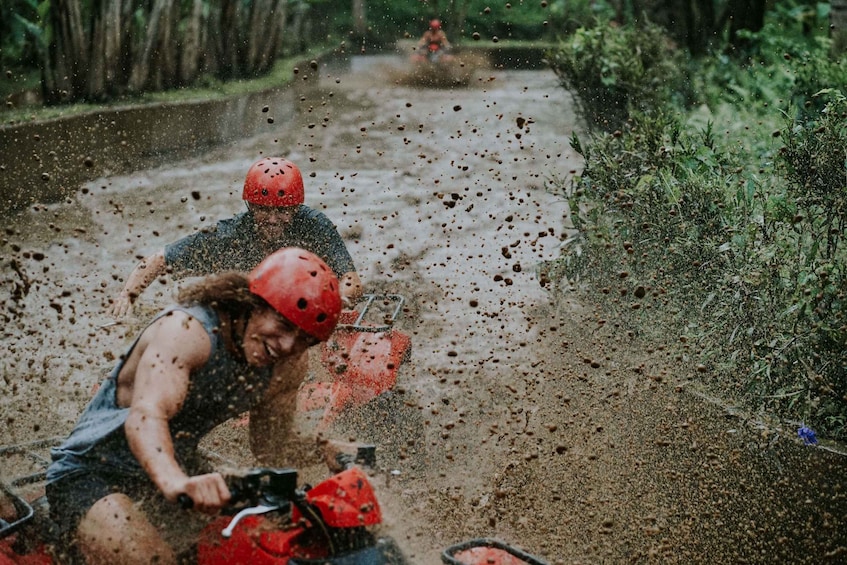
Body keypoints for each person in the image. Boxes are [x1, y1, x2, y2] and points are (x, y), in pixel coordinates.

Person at [46, 248, 344, 565]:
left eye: (304, 339)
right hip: (93, 473)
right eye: (283, 325)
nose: (287, 346)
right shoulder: (187, 331)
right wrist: (174, 481)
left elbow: (271, 447)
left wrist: (322, 450)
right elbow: (147, 415)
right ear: (254, 304)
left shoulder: (287, 365)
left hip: (179, 472)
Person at [109, 157, 362, 317]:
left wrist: (340, 300)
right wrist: (128, 296)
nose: (272, 220)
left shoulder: (315, 226)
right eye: (263, 209)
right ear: (250, 206)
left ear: (295, 208)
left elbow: (349, 278)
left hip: (308, 309)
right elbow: (160, 259)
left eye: (282, 211)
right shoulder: (229, 236)